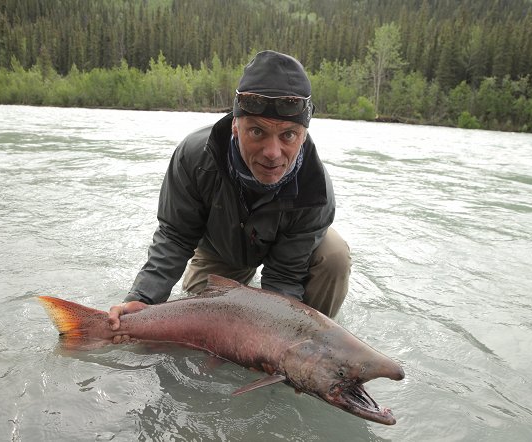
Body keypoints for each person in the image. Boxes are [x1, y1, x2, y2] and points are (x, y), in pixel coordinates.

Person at [109, 50, 351, 337]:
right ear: (236, 125)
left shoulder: (316, 189)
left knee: (334, 256)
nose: (273, 153)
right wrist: (143, 300)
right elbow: (175, 238)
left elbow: (284, 276)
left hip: (287, 256)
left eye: (288, 135)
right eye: (257, 132)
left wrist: (282, 341)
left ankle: (315, 345)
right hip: (220, 250)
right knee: (202, 334)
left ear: (304, 133)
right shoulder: (195, 157)